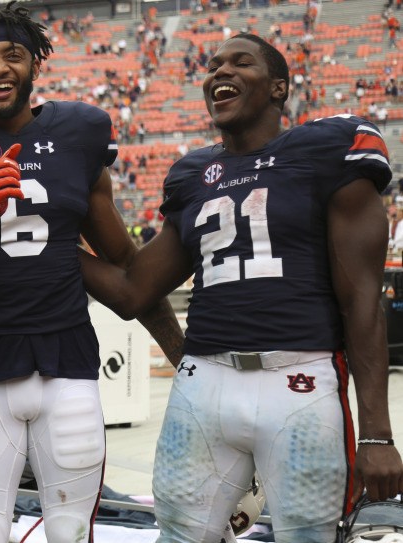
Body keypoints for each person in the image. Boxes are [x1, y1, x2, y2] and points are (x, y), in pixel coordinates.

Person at [79, 33, 403, 542]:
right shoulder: (193, 174)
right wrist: (50, 237)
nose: (219, 72)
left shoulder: (327, 148)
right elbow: (132, 292)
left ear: (278, 88)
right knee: (179, 536)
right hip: (202, 382)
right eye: (212, 65)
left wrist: (377, 432)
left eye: (240, 62)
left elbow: (362, 300)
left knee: (308, 537)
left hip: (299, 379)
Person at [0, 3, 183, 541]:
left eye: (14, 55)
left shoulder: (79, 131)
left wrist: (179, 353)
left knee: (71, 532)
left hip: (66, 363)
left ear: (36, 64)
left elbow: (124, 263)